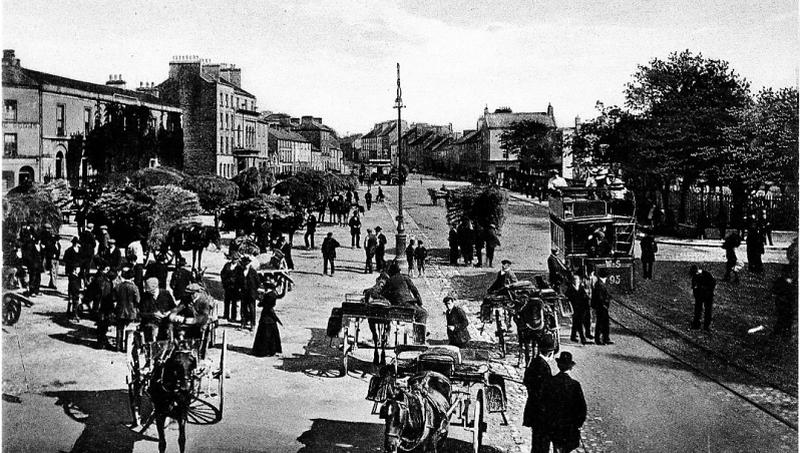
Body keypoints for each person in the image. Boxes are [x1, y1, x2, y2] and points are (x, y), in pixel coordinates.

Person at [543, 352, 587, 453]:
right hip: (569, 428)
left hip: (554, 426)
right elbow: (582, 409)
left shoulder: (550, 382)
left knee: (556, 448)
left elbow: (545, 405)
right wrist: (577, 424)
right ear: (570, 367)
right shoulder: (575, 385)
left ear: (558, 365)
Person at [380, 261, 427, 343]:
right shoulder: (405, 277)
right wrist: (420, 303)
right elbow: (414, 290)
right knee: (423, 313)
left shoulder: (389, 281)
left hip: (396, 307)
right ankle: (419, 337)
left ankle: (418, 334)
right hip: (407, 305)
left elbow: (384, 294)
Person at [523, 345, 552, 453]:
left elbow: (526, 380)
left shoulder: (533, 362)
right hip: (543, 411)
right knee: (543, 444)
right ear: (550, 353)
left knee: (536, 442)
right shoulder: (544, 367)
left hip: (532, 408)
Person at [252, 277, 288, 357]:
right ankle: (272, 350)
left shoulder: (269, 295)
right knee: (272, 334)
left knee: (265, 334)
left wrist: (261, 300)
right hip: (269, 316)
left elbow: (261, 304)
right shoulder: (272, 294)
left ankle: (263, 351)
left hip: (266, 315)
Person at [139, 277, 176, 342]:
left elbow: (173, 308)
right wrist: (153, 314)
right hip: (150, 324)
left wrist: (168, 313)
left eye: (153, 290)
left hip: (165, 323)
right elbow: (141, 313)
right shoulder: (145, 296)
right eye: (150, 291)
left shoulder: (166, 294)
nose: (151, 292)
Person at [114, 267, 140, 352]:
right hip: (130, 311)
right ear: (132, 278)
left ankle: (118, 347)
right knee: (129, 330)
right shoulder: (134, 287)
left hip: (120, 310)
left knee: (119, 329)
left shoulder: (119, 286)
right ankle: (127, 348)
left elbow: (114, 297)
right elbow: (138, 300)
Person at [92, 263, 115, 349]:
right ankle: (101, 342)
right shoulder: (104, 281)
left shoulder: (99, 279)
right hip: (104, 305)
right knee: (103, 325)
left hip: (99, 305)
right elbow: (105, 294)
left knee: (101, 324)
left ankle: (101, 341)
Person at [771, 266, 797, 338]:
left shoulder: (780, 281)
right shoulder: (793, 282)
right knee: (786, 319)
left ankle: (779, 333)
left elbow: (774, 291)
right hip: (786, 303)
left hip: (782, 303)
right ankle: (784, 333)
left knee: (782, 319)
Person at [690, 265, 716, 331]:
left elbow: (713, 283)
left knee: (707, 311)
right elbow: (694, 288)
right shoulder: (696, 277)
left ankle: (706, 326)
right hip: (700, 295)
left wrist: (708, 291)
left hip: (708, 295)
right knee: (698, 310)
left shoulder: (706, 274)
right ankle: (697, 324)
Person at [566, 275, 591, 344]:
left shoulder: (581, 287)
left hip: (582, 308)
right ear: (572, 281)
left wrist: (587, 297)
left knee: (576, 323)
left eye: (577, 280)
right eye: (574, 280)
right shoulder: (570, 289)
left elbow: (585, 297)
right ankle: (582, 338)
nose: (576, 281)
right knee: (579, 323)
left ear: (579, 281)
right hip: (575, 309)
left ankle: (573, 336)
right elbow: (568, 298)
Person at [591, 268, 613, 345]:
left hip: (603, 306)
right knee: (600, 323)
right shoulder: (599, 284)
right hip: (601, 307)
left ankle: (606, 338)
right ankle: (598, 339)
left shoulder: (600, 283)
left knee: (605, 323)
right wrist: (606, 302)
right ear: (605, 276)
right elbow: (600, 297)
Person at [221, 253, 241, 322]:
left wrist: (237, 283)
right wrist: (224, 282)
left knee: (234, 303)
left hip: (235, 287)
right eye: (233, 259)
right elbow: (222, 273)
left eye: (236, 259)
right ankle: (226, 315)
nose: (234, 260)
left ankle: (233, 317)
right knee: (226, 301)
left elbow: (240, 277)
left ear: (238, 259)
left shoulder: (239, 267)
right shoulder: (227, 265)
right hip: (227, 286)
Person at [241, 256, 260, 331]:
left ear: (249, 264)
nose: (245, 265)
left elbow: (258, 282)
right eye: (244, 263)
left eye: (247, 263)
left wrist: (253, 289)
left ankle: (253, 324)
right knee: (243, 309)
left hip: (251, 294)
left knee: (252, 309)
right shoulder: (241, 271)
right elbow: (238, 281)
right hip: (243, 293)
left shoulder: (253, 272)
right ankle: (243, 323)